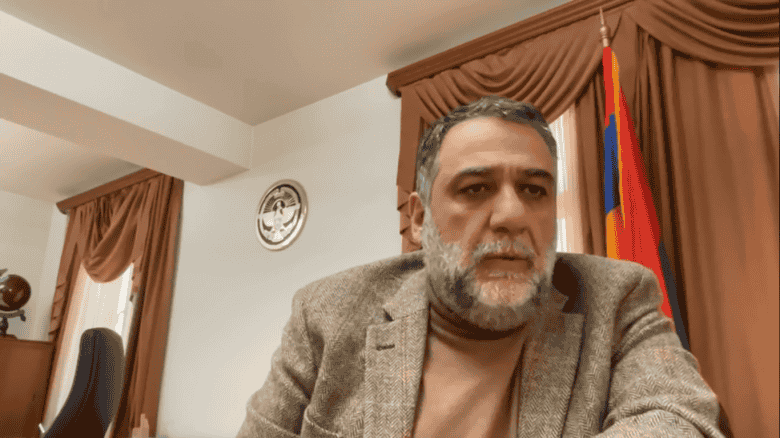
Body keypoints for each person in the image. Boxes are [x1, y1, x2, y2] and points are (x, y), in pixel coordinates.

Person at [236, 96, 727, 437]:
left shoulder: (616, 298)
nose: (512, 215)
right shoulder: (326, 314)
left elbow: (679, 419)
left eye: (534, 190)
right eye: (475, 189)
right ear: (419, 219)